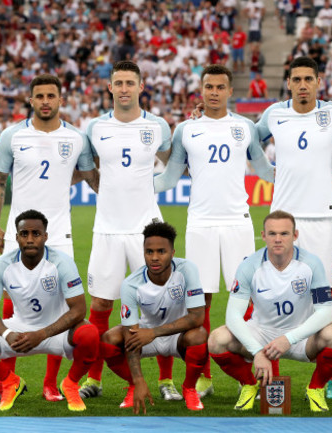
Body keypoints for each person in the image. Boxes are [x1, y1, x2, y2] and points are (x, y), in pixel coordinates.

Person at [154, 64, 274, 397]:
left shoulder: (244, 127)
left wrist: (303, 176)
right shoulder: (186, 130)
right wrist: (132, 183)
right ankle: (202, 375)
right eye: (209, 87)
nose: (214, 93)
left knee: (248, 299)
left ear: (229, 91)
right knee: (199, 304)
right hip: (201, 224)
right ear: (201, 90)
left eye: (220, 87)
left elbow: (265, 170)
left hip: (238, 221)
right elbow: (168, 178)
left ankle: (251, 375)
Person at [0, 74, 99, 404]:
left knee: (60, 306)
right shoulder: (12, 135)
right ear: (31, 100)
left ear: (61, 99)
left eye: (51, 95)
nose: (46, 100)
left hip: (59, 234)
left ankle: (52, 383)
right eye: (39, 96)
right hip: (17, 235)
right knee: (9, 300)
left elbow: (91, 178)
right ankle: (7, 379)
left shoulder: (76, 138)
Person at [255, 56, 332, 399]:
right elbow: (248, 141)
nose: (302, 85)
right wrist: (268, 172)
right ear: (289, 82)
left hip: (323, 217)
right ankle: (271, 377)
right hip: (283, 218)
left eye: (308, 79)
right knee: (271, 294)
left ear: (319, 81)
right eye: (296, 79)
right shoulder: (274, 114)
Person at [80, 60, 176, 401]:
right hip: (107, 228)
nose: (123, 89)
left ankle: (166, 381)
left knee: (160, 302)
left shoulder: (158, 126)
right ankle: (94, 377)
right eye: (117, 83)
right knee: (102, 303)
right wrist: (105, 193)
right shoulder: (93, 128)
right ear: (110, 87)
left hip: (146, 229)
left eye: (129, 83)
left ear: (140, 86)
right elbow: (87, 167)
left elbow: (174, 160)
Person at [0, 210, 99, 412]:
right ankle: (10, 381)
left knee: (89, 334)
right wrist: (7, 333)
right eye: (24, 234)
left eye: (36, 233)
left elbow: (78, 310)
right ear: (17, 237)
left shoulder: (62, 263)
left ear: (46, 236)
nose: (30, 239)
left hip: (55, 332)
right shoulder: (2, 265)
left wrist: (42, 334)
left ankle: (70, 384)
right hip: (20, 329)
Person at [208, 210, 332, 412]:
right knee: (216, 339)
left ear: (295, 235)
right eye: (272, 234)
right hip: (262, 333)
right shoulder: (249, 266)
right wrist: (256, 351)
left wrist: (288, 339)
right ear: (263, 236)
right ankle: (249, 384)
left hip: (301, 337)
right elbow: (233, 315)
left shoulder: (311, 263)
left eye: (284, 233)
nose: (278, 239)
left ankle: (315, 389)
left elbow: (325, 312)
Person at [100, 221, 208, 413]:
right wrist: (138, 379)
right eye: (149, 252)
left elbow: (197, 317)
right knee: (110, 339)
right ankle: (133, 386)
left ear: (173, 252)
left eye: (161, 251)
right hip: (145, 335)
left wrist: (154, 332)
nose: (155, 258)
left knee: (199, 336)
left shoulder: (187, 270)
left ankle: (189, 388)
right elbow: (130, 332)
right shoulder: (131, 284)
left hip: (178, 336)